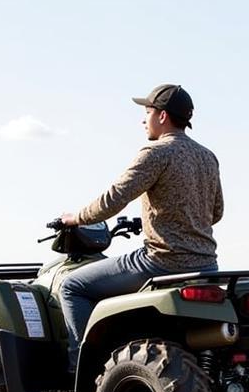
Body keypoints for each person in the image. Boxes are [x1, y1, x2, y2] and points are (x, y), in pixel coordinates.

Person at [58, 83, 223, 371]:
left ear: (162, 116)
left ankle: (86, 371)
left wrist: (76, 218)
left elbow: (113, 200)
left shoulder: (156, 152)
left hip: (162, 262)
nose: (142, 120)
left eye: (146, 112)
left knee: (73, 286)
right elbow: (216, 212)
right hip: (207, 267)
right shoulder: (207, 156)